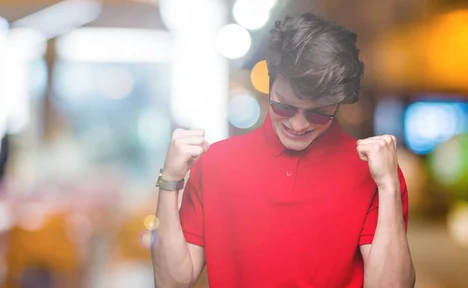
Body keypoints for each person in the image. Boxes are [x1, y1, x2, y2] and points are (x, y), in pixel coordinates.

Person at [151, 13, 415, 287]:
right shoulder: (215, 163)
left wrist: (389, 186)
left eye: (319, 114)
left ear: (338, 104)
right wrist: (169, 180)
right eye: (285, 107)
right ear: (269, 85)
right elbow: (172, 283)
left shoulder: (371, 171)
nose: (298, 125)